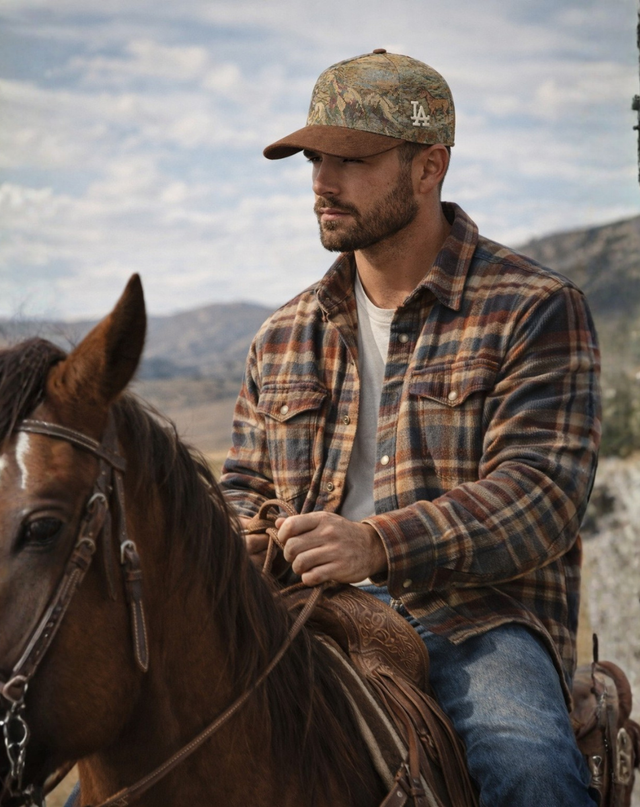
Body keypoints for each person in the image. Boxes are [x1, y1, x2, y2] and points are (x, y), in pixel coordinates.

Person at [221, 49, 601, 806]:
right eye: (313, 160)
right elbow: (241, 484)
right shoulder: (282, 334)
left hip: (474, 622)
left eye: (351, 161)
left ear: (428, 167)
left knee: (530, 773)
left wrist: (375, 542)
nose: (321, 185)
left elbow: (540, 494)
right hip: (297, 611)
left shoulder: (532, 307)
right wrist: (246, 538)